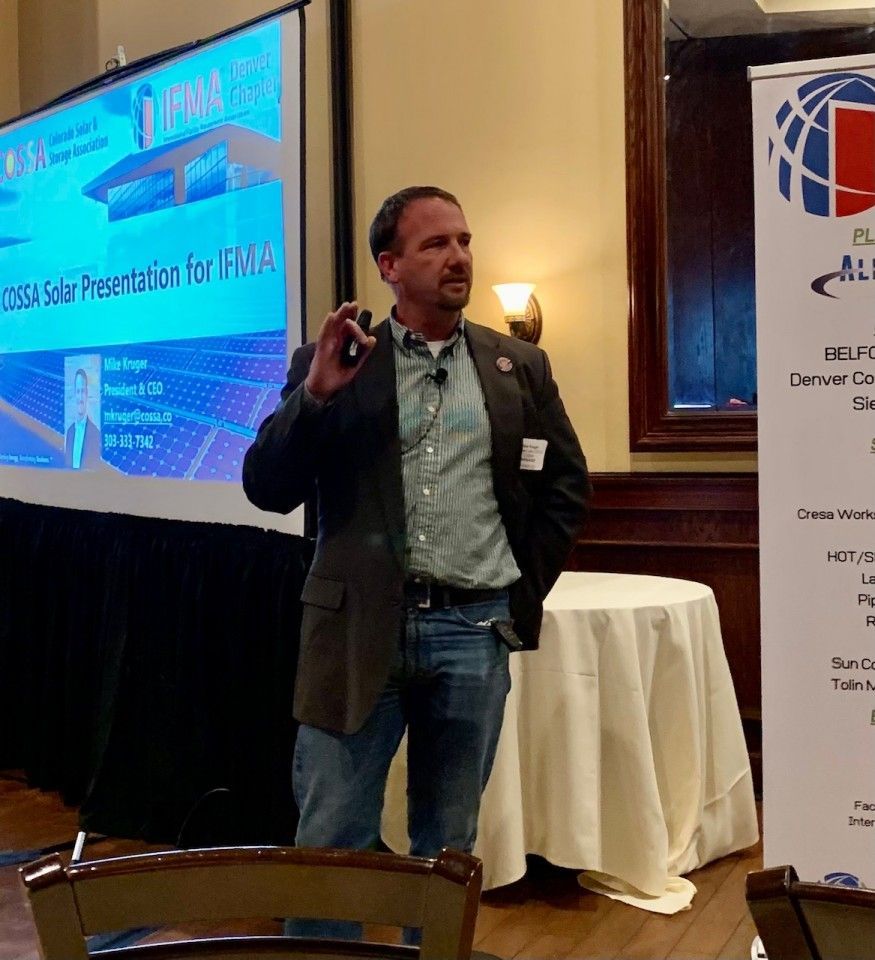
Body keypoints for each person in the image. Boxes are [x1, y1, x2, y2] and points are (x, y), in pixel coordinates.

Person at [243, 185, 590, 876]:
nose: (457, 256)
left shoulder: (516, 367)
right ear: (389, 266)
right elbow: (266, 488)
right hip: (355, 630)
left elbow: (563, 487)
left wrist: (518, 589)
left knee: (448, 844)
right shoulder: (340, 359)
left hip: (472, 630)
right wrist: (313, 399)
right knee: (332, 837)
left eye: (463, 240)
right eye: (435, 244)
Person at [64, 368, 102, 470]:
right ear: (74, 394)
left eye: (83, 391)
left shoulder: (95, 434)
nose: (80, 397)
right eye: (78, 391)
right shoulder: (70, 432)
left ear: (87, 394)